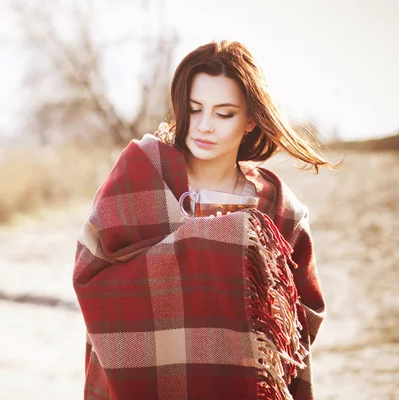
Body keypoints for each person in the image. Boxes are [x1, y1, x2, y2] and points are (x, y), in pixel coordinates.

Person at [73, 40, 335, 400]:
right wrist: (213, 247)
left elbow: (304, 312)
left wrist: (244, 342)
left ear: (250, 121)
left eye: (224, 113)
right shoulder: (142, 173)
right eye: (195, 109)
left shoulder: (276, 205)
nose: (204, 126)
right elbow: (92, 272)